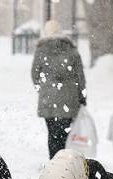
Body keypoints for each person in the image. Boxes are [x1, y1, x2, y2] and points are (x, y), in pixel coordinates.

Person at [31, 20, 87, 159]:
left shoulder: (41, 49)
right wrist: (82, 95)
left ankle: (54, 160)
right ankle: (62, 160)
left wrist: (43, 88)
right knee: (64, 133)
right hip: (69, 97)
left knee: (52, 133)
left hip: (48, 98)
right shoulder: (71, 49)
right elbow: (80, 75)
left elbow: (35, 73)